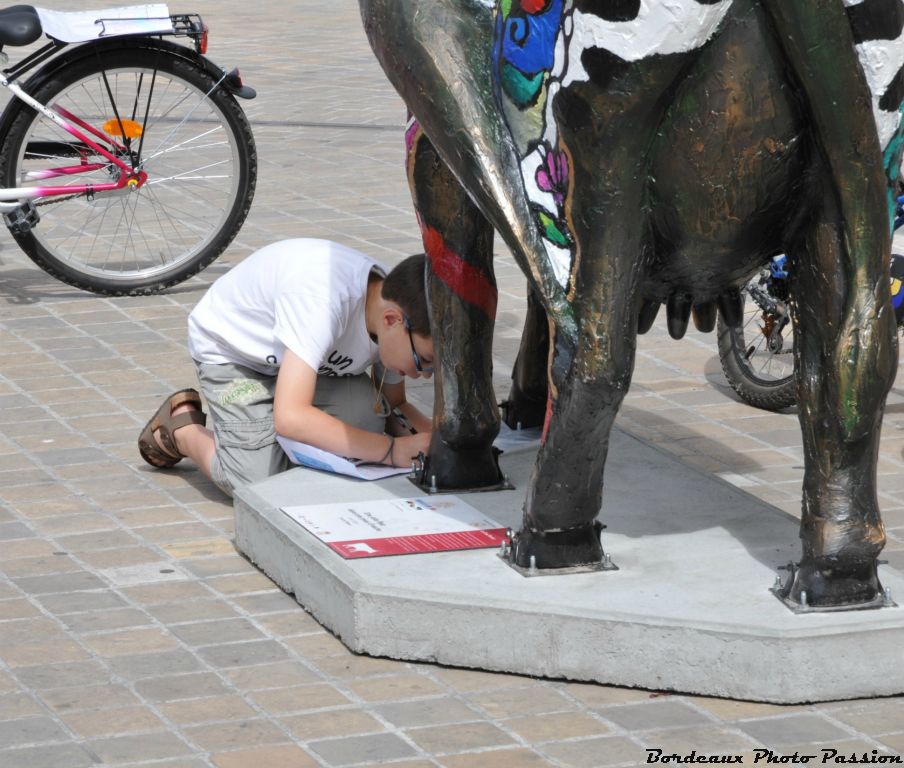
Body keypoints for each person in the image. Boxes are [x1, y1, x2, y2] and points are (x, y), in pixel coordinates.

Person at [138, 239, 434, 497]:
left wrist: (446, 445)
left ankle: (267, 425)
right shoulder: (323, 302)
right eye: (423, 362)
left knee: (368, 418)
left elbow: (397, 407)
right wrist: (392, 452)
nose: (424, 375)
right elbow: (290, 418)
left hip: (296, 364)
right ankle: (181, 429)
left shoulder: (398, 306)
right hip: (237, 358)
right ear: (392, 320)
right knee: (257, 480)